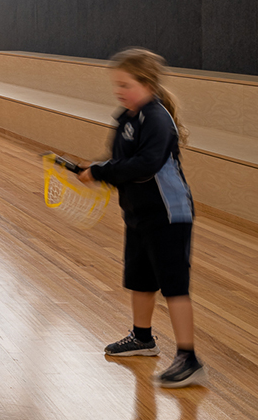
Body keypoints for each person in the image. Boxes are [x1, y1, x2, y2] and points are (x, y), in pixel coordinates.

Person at [76, 48, 205, 388]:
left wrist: (103, 171)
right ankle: (143, 338)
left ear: (147, 84)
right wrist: (97, 168)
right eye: (116, 85)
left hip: (169, 215)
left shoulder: (157, 119)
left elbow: (146, 164)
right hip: (138, 213)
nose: (119, 91)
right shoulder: (127, 117)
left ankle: (188, 358)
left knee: (174, 286)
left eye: (125, 84)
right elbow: (120, 159)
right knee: (141, 278)